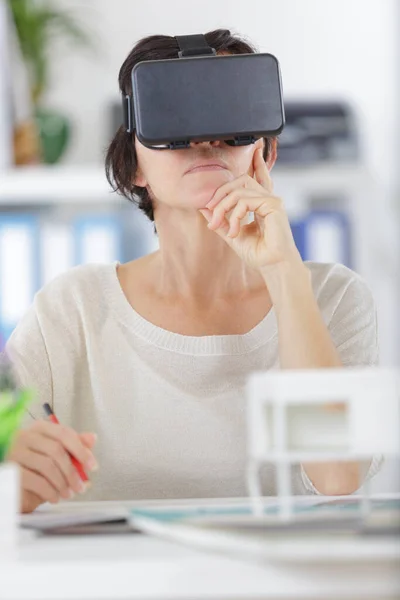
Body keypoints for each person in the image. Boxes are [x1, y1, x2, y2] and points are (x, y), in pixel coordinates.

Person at [4, 29, 381, 514]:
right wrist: (14, 471)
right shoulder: (70, 310)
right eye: (176, 118)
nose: (205, 139)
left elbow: (337, 478)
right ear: (133, 165)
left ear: (265, 153)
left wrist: (284, 272)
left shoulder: (335, 297)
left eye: (229, 116)